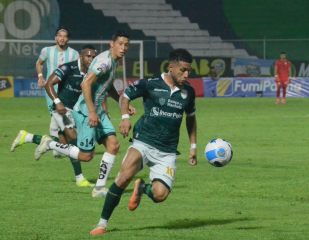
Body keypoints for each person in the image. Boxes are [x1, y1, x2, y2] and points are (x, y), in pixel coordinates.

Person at [90, 48, 197, 235]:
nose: (186, 75)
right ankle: (102, 223)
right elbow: (125, 96)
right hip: (144, 142)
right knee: (123, 178)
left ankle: (142, 188)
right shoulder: (150, 84)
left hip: (167, 151)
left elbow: (191, 118)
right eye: (183, 70)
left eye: (189, 71)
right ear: (171, 67)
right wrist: (125, 117)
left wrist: (193, 146)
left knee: (160, 195)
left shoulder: (189, 92)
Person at [34, 31, 135, 197]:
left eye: (126, 45)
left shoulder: (114, 61)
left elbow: (108, 85)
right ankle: (50, 144)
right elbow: (85, 83)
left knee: (113, 145)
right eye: (120, 44)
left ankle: (99, 188)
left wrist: (123, 103)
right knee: (86, 156)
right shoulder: (104, 61)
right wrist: (92, 112)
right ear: (112, 44)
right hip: (87, 111)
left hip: (97, 111)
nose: (123, 48)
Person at [11, 45, 97, 187]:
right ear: (81, 57)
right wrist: (57, 102)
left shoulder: (91, 72)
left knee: (64, 145)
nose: (91, 59)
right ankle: (80, 179)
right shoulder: (68, 68)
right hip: (61, 109)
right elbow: (49, 83)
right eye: (88, 56)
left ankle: (28, 137)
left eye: (93, 57)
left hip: (75, 111)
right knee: (74, 141)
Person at [36, 26, 80, 158]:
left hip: (68, 91)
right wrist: (40, 77)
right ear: (56, 37)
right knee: (55, 116)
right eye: (59, 36)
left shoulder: (74, 54)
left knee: (64, 116)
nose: (62, 38)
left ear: (68, 39)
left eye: (65, 36)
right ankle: (58, 148)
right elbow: (39, 63)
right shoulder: (47, 51)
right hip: (51, 89)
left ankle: (59, 146)